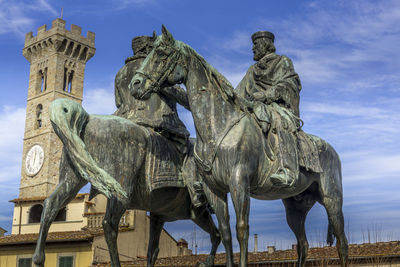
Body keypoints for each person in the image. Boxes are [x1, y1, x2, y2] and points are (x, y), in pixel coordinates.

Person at [114, 35, 206, 209]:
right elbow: (181, 98)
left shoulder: (120, 73)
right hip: (157, 121)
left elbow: (119, 102)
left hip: (125, 120)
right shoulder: (154, 69)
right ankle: (195, 192)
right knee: (190, 149)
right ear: (148, 50)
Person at [236, 31, 302, 188]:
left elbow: (290, 84)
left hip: (277, 106)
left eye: (255, 45)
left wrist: (266, 95)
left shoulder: (282, 61)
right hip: (254, 107)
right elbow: (238, 92)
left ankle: (288, 170)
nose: (252, 49)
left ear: (265, 44)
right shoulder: (252, 70)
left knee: (280, 122)